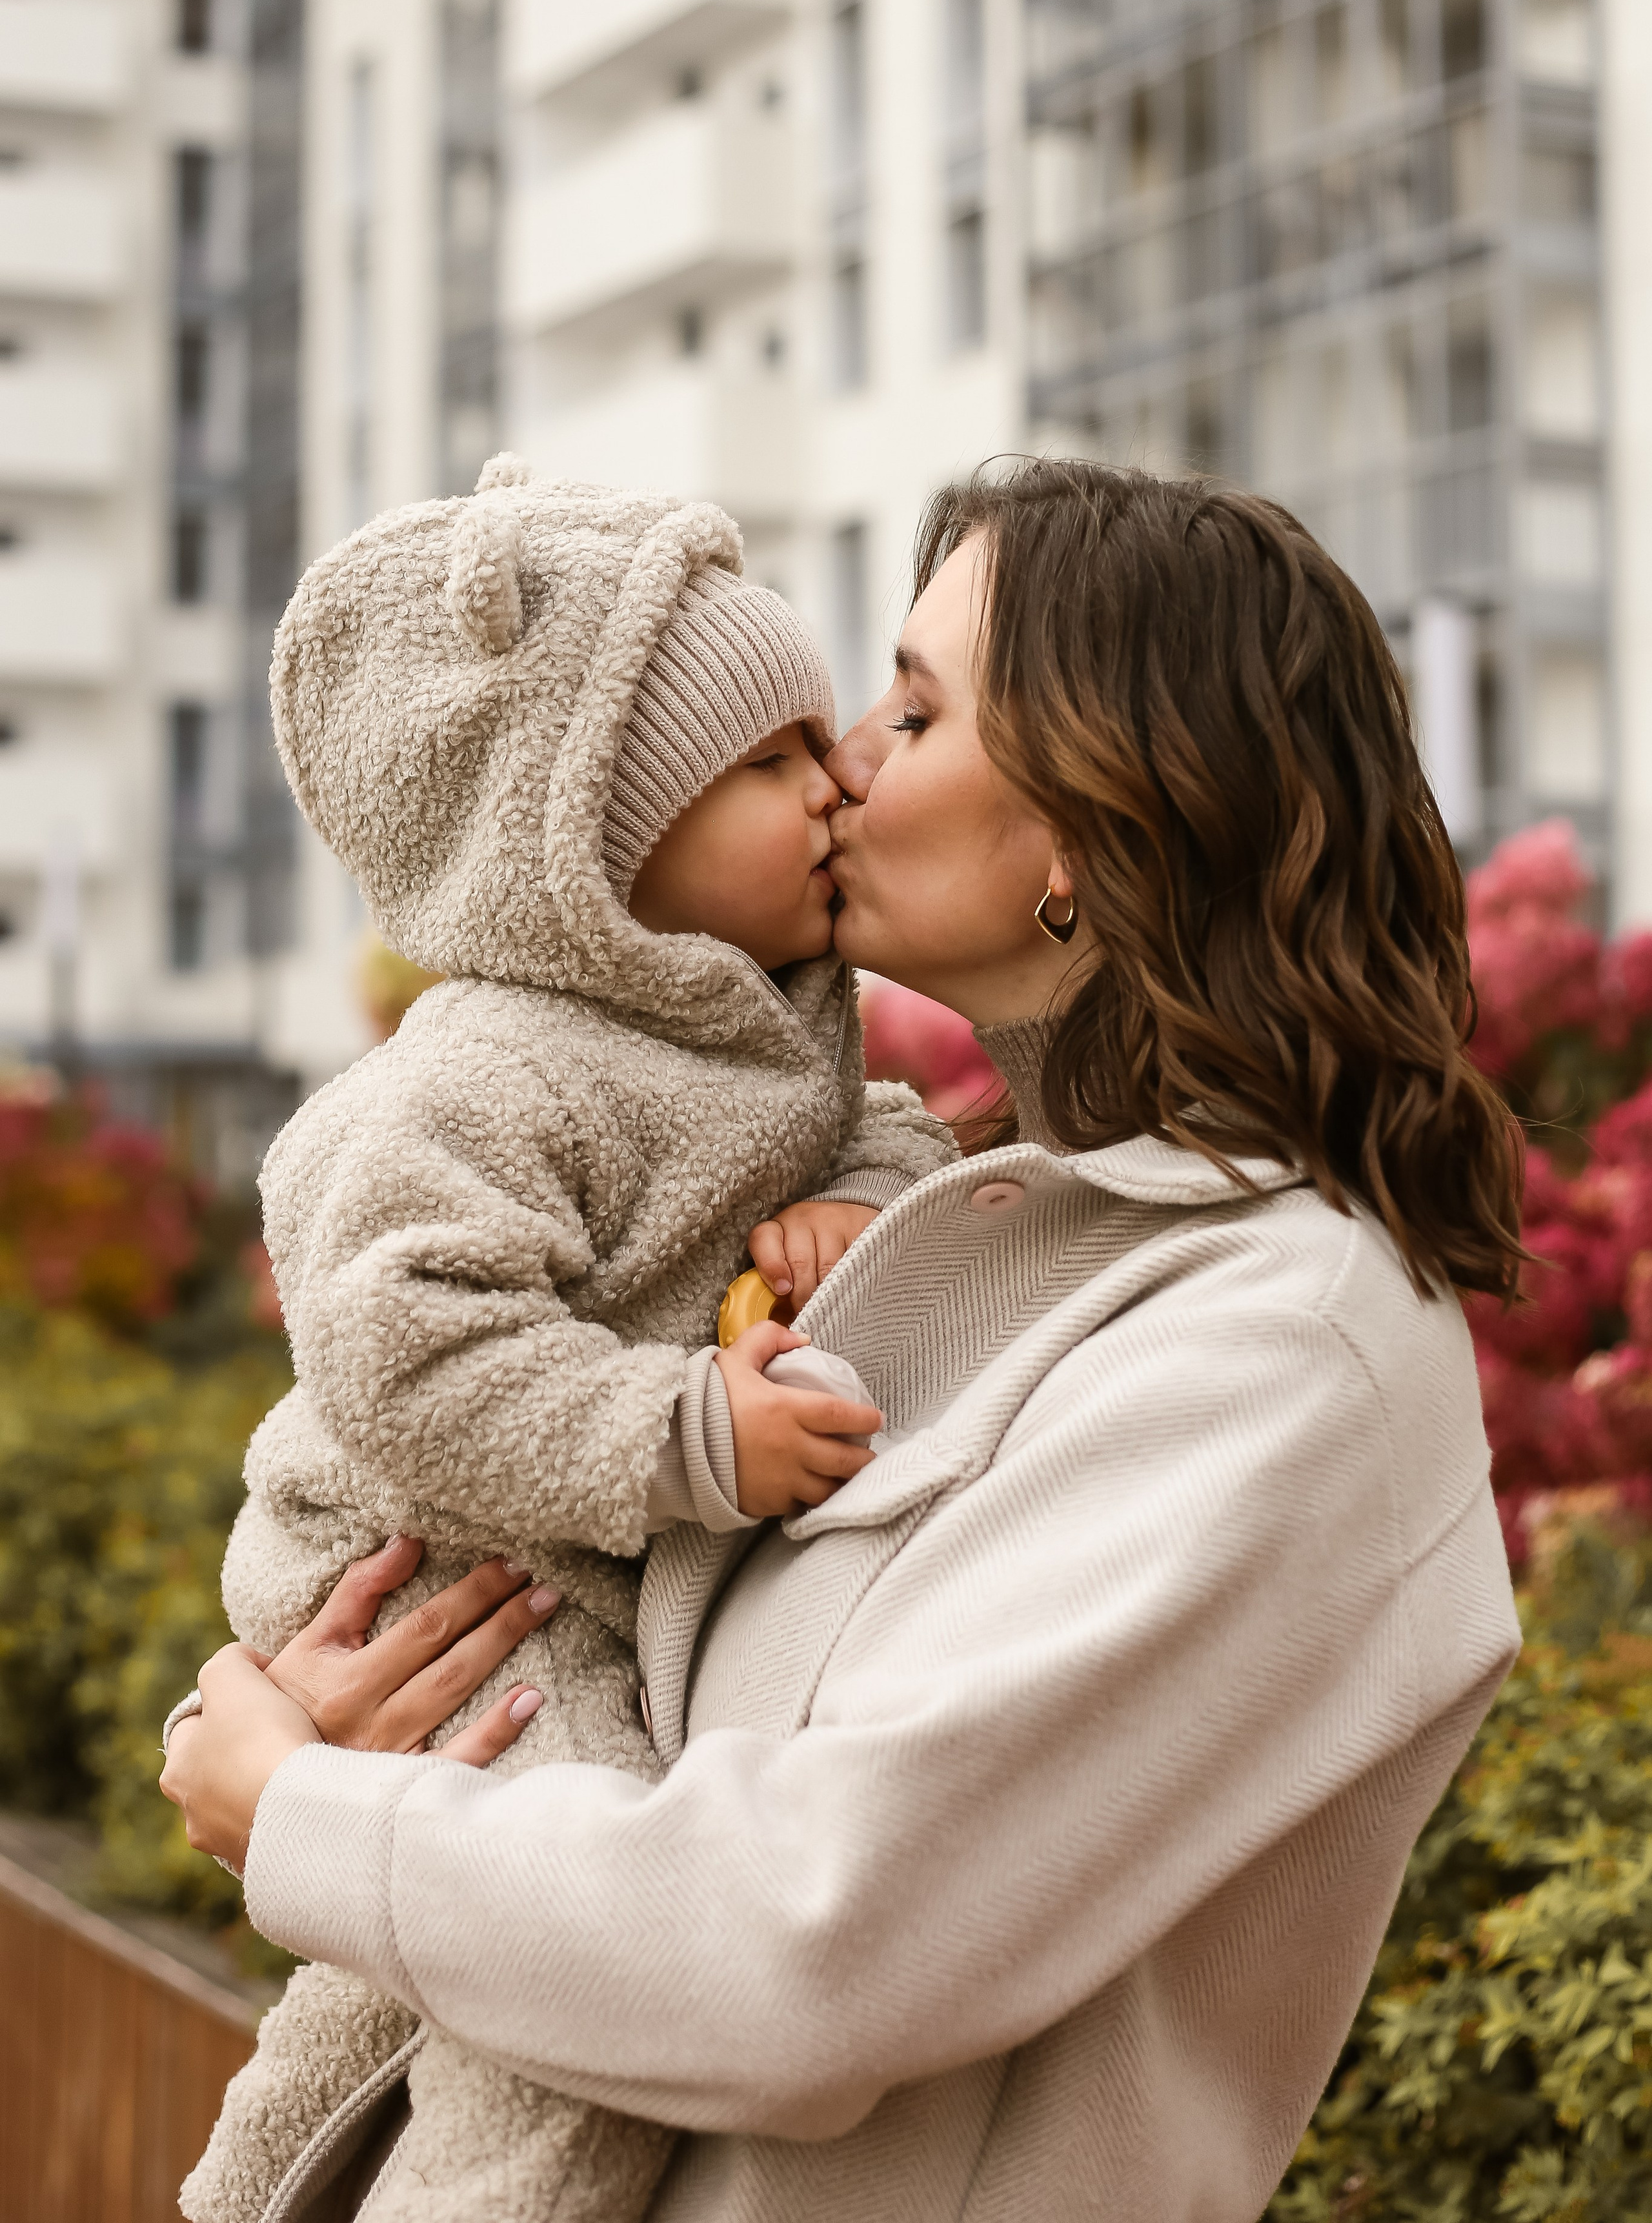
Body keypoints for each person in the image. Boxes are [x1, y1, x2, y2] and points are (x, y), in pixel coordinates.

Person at [165, 459, 1524, 2223]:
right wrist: (363, 1716)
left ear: (1094, 825)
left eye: (914, 708)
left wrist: (303, 1814)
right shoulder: (938, 1224)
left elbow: (804, 1948)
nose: (846, 763)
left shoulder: (1287, 1349)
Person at [174, 454, 954, 2223]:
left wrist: (865, 1193)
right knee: (571, 1989)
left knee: (388, 1980)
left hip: (547, 1586)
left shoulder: (759, 1024)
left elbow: (887, 1129)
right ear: (588, 840)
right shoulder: (486, 1073)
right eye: (768, 761)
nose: (834, 778)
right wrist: (686, 1432)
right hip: (420, 1573)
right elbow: (405, 1348)